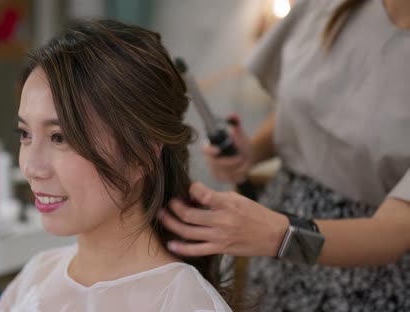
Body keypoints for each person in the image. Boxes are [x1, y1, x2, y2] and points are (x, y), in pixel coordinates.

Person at [160, 0, 410, 311]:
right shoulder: (328, 7)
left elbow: (392, 236)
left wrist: (277, 233)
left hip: (366, 276)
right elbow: (301, 113)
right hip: (276, 243)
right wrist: (248, 153)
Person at [0, 19, 234, 312]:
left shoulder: (182, 302)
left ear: (140, 153)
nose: (31, 167)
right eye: (25, 134)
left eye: (59, 137)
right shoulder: (37, 274)